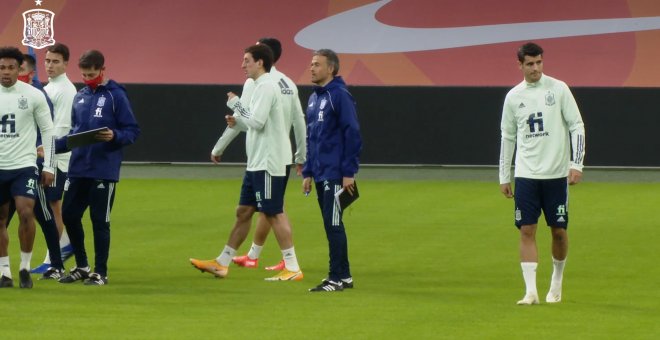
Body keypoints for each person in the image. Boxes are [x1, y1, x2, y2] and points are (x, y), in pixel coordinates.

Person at [190, 44, 303, 281]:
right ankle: (222, 262)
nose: (242, 65)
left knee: (273, 212)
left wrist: (236, 104)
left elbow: (258, 122)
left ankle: (292, 267)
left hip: (270, 160)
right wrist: (237, 118)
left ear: (260, 62)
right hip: (257, 161)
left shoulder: (267, 86)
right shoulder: (262, 85)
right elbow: (255, 122)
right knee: (244, 211)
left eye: (246, 60)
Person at [498, 42, 586, 305]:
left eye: (539, 63)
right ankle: (531, 292)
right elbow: (507, 136)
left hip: (556, 174)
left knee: (558, 231)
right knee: (526, 229)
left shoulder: (558, 89)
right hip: (526, 174)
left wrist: (576, 163)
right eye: (530, 64)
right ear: (520, 65)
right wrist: (504, 175)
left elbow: (577, 125)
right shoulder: (514, 97)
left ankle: (556, 282)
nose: (535, 68)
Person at [55, 50, 140, 286]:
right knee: (70, 216)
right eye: (83, 75)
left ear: (102, 70)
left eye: (91, 74)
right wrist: (50, 147)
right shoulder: (80, 97)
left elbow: (132, 131)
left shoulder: (116, 96)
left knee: (99, 220)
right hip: (78, 168)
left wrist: (114, 135)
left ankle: (101, 272)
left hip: (104, 169)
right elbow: (74, 134)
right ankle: (82, 266)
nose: (87, 78)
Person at [302, 49, 362, 292]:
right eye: (311, 63)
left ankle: (335, 277)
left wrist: (349, 171)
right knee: (330, 222)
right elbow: (311, 137)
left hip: (336, 172)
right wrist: (308, 171)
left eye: (317, 64)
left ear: (331, 68)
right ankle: (344, 276)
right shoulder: (315, 98)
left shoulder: (339, 95)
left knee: (334, 223)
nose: (312, 68)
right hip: (320, 171)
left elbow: (353, 133)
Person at [0, 46, 56, 288]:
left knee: (25, 211)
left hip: (24, 165)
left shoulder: (33, 95)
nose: (6, 72)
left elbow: (48, 131)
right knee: (0, 219)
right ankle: (4, 272)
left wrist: (50, 166)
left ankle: (24, 266)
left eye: (12, 67)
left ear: (19, 69)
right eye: (2, 67)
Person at [29, 43, 77, 274]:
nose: (50, 65)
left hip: (57, 158)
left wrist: (45, 151)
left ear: (66, 63)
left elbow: (62, 128)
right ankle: (65, 244)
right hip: (51, 156)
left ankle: (52, 258)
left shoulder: (65, 91)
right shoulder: (51, 88)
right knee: (47, 206)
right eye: (47, 61)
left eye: (55, 61)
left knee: (51, 207)